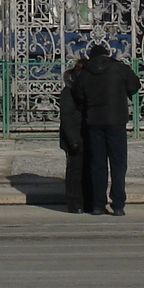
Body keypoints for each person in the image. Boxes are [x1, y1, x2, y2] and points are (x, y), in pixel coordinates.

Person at [75, 44, 140, 216]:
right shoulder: (119, 68)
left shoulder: (85, 73)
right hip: (116, 121)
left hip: (94, 122)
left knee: (98, 164)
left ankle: (98, 204)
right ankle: (118, 204)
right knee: (118, 164)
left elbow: (78, 95)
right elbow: (134, 86)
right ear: (107, 54)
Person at [58, 56, 91, 213]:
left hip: (87, 135)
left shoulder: (88, 89)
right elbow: (67, 117)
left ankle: (88, 200)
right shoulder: (69, 92)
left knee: (88, 169)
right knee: (75, 170)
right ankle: (74, 202)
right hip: (74, 137)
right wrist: (73, 141)